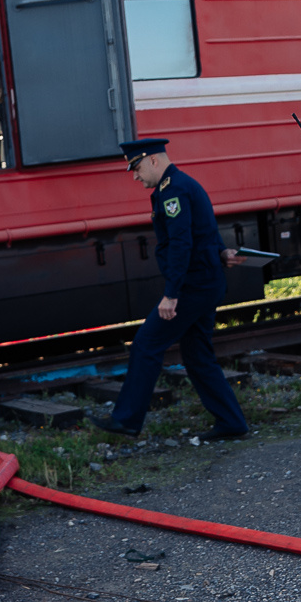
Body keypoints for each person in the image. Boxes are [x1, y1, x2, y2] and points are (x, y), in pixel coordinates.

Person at [90, 138, 250, 442]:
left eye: (136, 167)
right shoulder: (182, 184)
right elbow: (204, 230)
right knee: (198, 356)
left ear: (152, 160)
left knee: (147, 344)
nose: (135, 176)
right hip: (205, 282)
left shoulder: (173, 191)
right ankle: (232, 423)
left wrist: (172, 293)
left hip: (193, 287)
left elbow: (181, 243)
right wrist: (220, 253)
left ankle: (126, 419)